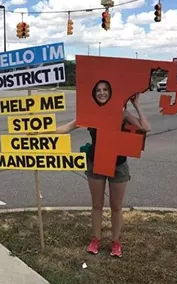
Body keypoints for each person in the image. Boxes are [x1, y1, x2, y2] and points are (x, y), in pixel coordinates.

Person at [55, 80, 151, 258]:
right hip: (96, 163)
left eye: (105, 89)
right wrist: (37, 131)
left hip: (119, 165)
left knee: (116, 206)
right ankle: (96, 239)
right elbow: (66, 128)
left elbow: (146, 128)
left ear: (110, 92)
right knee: (97, 204)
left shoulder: (121, 113)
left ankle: (116, 242)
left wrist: (136, 105)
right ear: (94, 93)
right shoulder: (89, 113)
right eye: (98, 90)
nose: (102, 93)